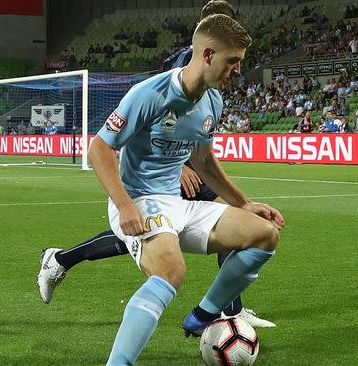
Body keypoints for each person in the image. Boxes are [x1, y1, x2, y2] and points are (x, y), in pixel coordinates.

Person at [37, 0, 276, 329]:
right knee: (144, 235)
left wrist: (239, 198)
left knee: (235, 220)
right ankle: (61, 259)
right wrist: (180, 166)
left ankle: (228, 309)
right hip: (169, 169)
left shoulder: (225, 63)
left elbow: (200, 144)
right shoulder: (187, 61)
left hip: (187, 160)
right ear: (204, 32)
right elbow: (161, 113)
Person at [91, 15, 282, 365]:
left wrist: (245, 204)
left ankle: (204, 315)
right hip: (140, 200)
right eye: (233, 61)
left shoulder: (214, 102)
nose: (238, 70)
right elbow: (99, 149)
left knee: (264, 234)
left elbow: (205, 163)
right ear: (208, 54)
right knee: (171, 272)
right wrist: (125, 206)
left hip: (178, 204)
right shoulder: (150, 94)